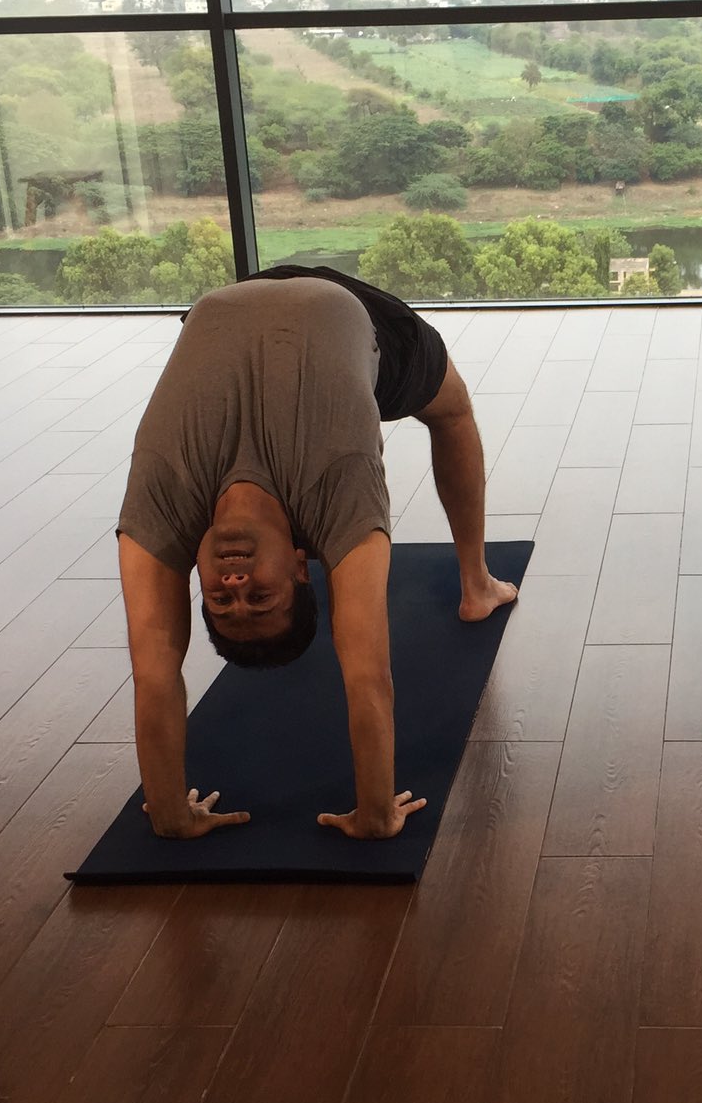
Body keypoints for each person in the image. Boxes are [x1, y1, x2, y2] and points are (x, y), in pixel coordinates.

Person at [115, 267, 517, 841]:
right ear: (304, 566)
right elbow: (367, 674)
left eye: (220, 600)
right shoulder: (339, 492)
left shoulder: (164, 500)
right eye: (261, 597)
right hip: (349, 310)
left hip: (234, 298)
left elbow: (153, 673)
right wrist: (376, 814)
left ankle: (476, 582)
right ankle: (476, 586)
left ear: (195, 576)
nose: (235, 586)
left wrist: (170, 814)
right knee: (450, 409)